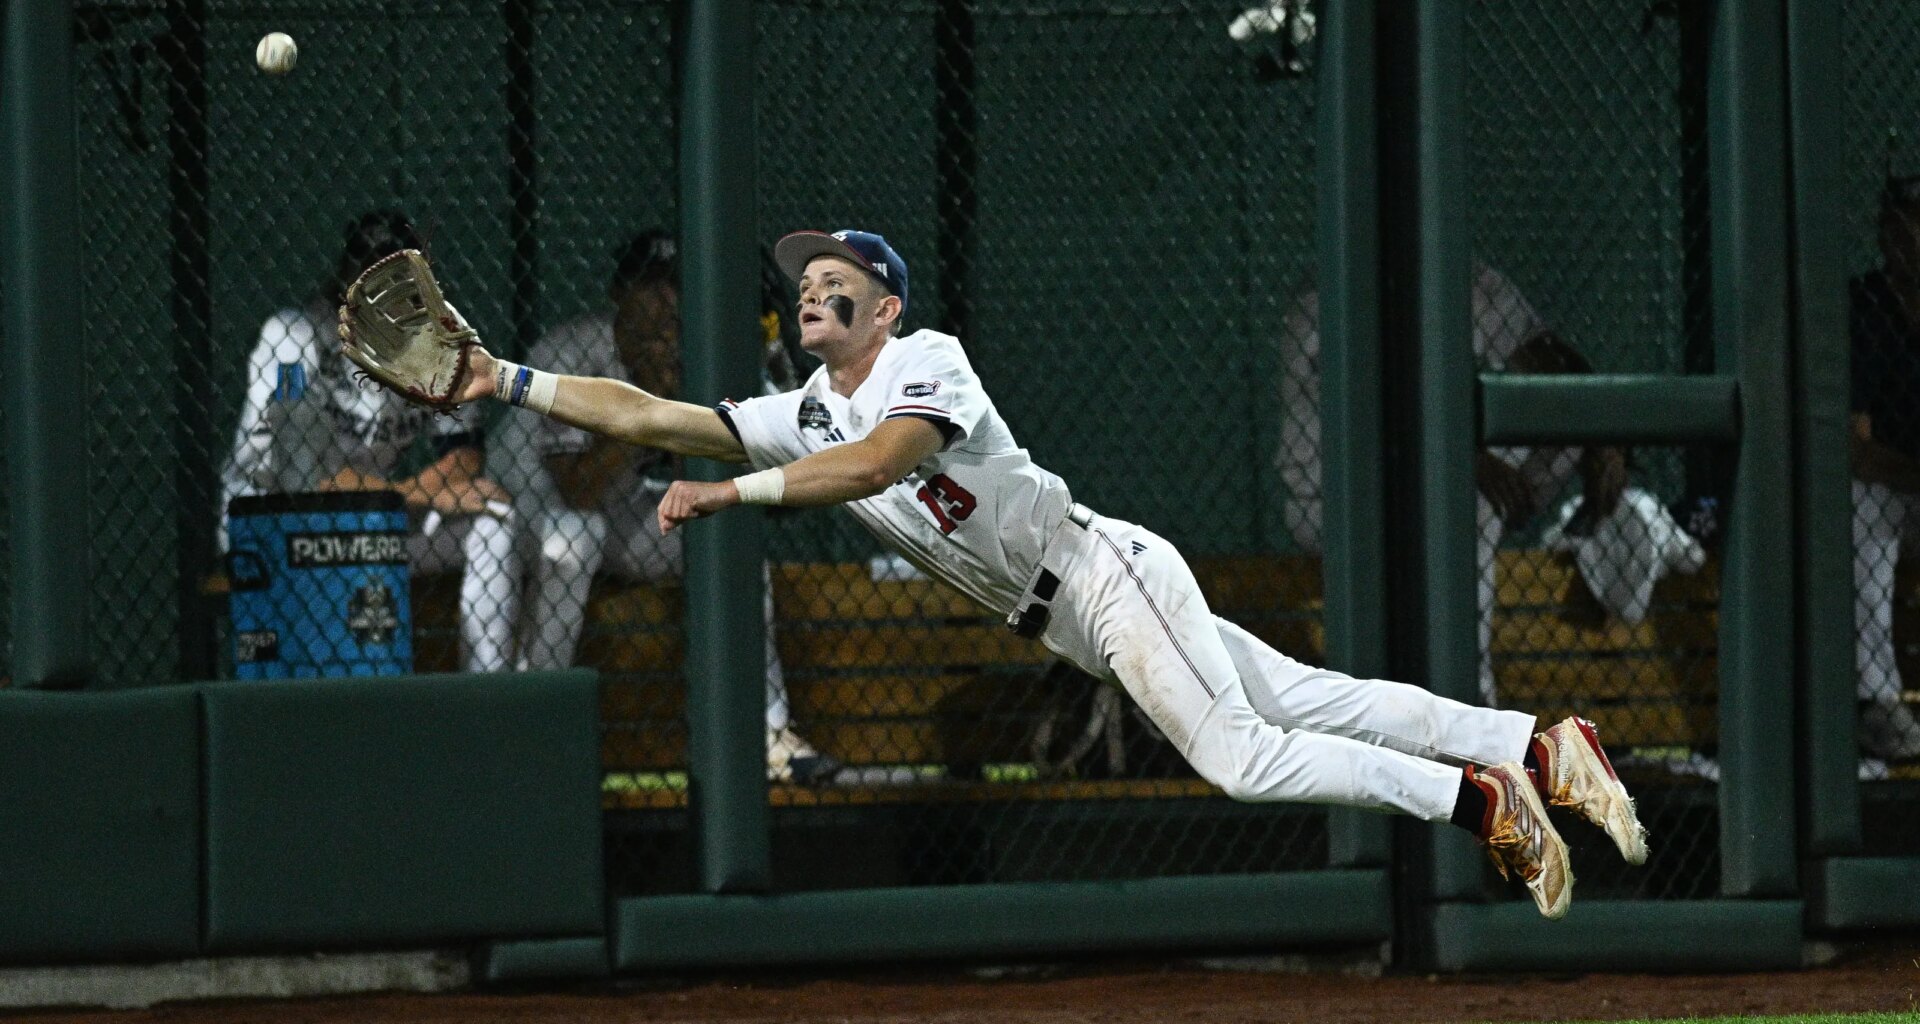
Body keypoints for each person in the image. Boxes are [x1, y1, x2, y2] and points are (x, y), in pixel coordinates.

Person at [435, 229, 1649, 919]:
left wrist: (732, 493)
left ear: (886, 302)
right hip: (1077, 607)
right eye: (800, 278)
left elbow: (877, 468)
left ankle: (1479, 802)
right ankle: (1538, 744)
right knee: (1304, 700)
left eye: (836, 275)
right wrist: (509, 381)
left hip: (1101, 575)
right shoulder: (800, 408)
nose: (810, 283)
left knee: (1242, 757)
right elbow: (650, 411)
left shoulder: (929, 361)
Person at [494, 230, 837, 785]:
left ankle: (771, 732)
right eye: (650, 287)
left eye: (673, 288)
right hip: (529, 506)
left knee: (732, 548)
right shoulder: (574, 350)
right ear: (619, 293)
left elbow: (698, 479)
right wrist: (648, 407)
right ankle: (534, 717)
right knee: (571, 538)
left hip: (615, 509)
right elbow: (576, 488)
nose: (665, 303)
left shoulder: (688, 352)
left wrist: (676, 408)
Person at [1277, 265, 1627, 705]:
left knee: (1540, 449)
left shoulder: (1464, 278)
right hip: (1332, 502)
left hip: (1428, 484)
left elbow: (1546, 354)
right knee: (1467, 503)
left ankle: (1464, 711)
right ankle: (1471, 703)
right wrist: (1461, 459)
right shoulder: (1330, 293)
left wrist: (1603, 433)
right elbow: (1366, 422)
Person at [223, 209, 522, 673]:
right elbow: (308, 482)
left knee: (496, 519)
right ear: (346, 276)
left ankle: (488, 688)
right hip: (279, 519)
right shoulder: (295, 335)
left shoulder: (439, 341)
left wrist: (409, 497)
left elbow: (463, 456)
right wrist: (419, 493)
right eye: (371, 272)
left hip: (378, 521)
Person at [1848, 176, 1920, 762]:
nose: (1913, 237)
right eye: (1903, 224)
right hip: (1894, 489)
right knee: (1860, 505)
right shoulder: (1863, 306)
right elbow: (1856, 446)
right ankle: (1876, 702)